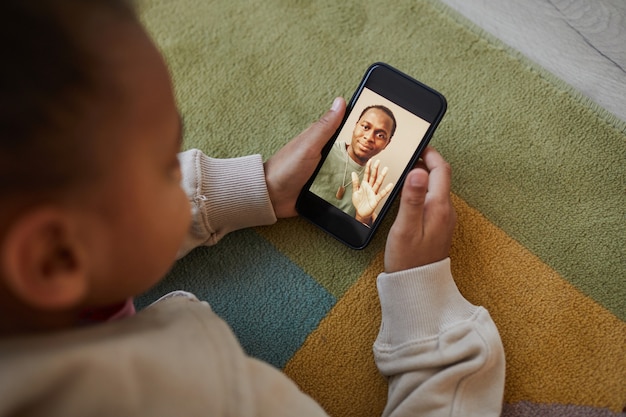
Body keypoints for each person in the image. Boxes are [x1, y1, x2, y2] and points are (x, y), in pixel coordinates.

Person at [0, 1, 505, 416]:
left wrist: (253, 187)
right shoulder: (198, 396)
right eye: (164, 167)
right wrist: (423, 299)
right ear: (56, 258)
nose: (180, 169)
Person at [309, 105, 397, 225]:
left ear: (387, 143)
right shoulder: (322, 150)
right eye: (365, 127)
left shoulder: (371, 183)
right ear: (355, 126)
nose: (369, 137)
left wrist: (362, 218)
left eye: (380, 135)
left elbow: (354, 229)